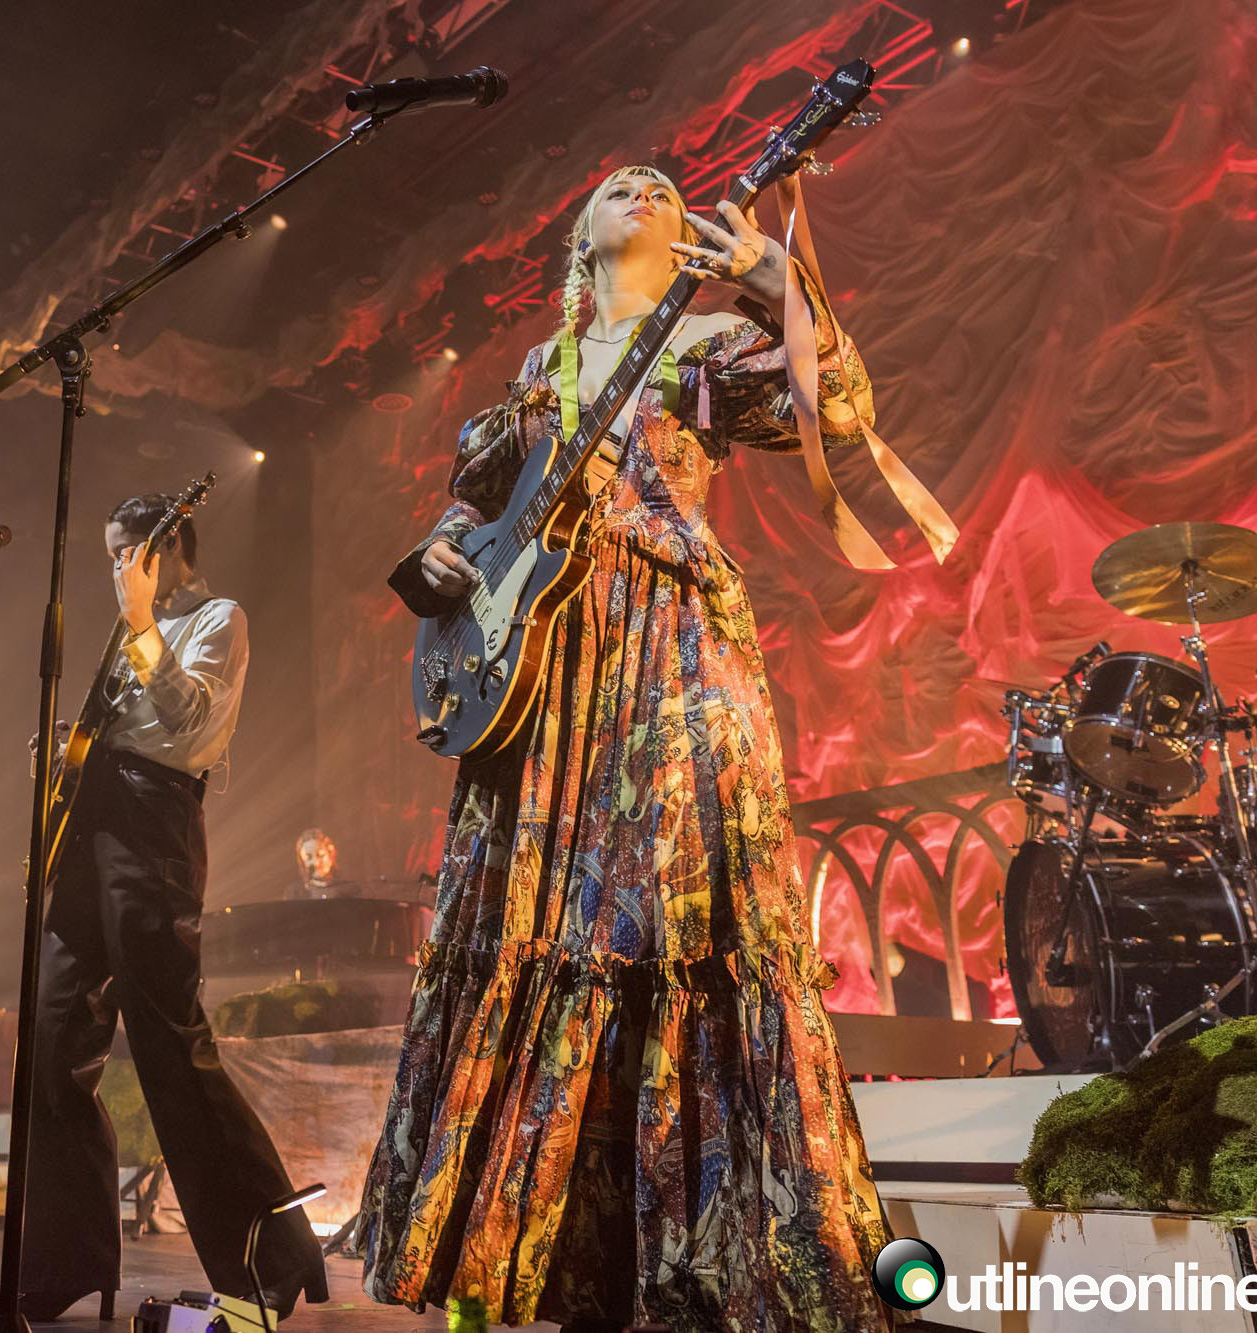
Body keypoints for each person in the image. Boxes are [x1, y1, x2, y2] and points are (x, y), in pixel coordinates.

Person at [362, 165, 890, 1331]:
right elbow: (474, 505)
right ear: (579, 236)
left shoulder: (703, 341)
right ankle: (558, 1249)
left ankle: (714, 1257)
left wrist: (774, 282)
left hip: (667, 644)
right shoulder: (536, 369)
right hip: (540, 668)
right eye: (618, 184)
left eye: (660, 184)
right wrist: (443, 551)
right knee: (548, 923)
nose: (643, 187)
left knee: (687, 913)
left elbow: (836, 405)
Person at [18, 494, 327, 1322]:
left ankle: (270, 1255)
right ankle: (69, 1258)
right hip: (95, 824)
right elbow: (115, 732)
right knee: (51, 1037)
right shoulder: (132, 629)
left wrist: (142, 621)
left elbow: (188, 721)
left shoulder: (219, 619)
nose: (117, 569)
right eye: (111, 555)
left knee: (169, 1044)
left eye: (127, 552)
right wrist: (66, 753)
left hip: (154, 828)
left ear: (168, 547)